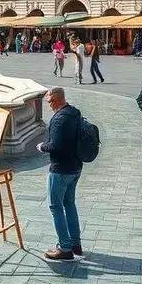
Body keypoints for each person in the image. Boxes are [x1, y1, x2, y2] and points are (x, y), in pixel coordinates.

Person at [36, 87, 84, 261]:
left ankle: (64, 248)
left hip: (60, 170)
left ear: (56, 99)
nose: (48, 104)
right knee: (69, 204)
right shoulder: (75, 113)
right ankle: (76, 244)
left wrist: (41, 146)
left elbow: (55, 145)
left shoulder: (58, 119)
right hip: (76, 167)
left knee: (56, 207)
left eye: (49, 101)